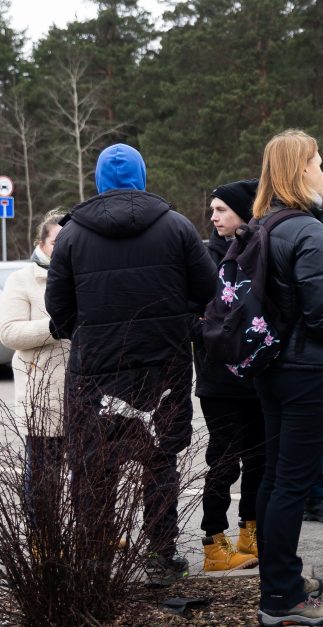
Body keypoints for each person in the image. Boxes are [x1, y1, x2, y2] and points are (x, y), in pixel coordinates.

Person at [45, 143, 217, 587]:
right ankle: (161, 557)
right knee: (160, 461)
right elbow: (208, 289)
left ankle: (96, 560)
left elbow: (58, 308)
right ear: (142, 176)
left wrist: (82, 334)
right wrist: (179, 323)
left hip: (94, 373)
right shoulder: (176, 227)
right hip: (164, 367)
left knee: (94, 468)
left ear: (98, 181)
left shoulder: (71, 235)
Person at [252, 129, 323, 627]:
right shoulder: (308, 231)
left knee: (276, 478)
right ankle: (280, 599)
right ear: (299, 172)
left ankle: (281, 580)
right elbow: (322, 313)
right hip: (304, 370)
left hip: (270, 366)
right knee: (292, 483)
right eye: (317, 162)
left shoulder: (263, 224)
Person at [193, 179, 265, 571]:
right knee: (223, 460)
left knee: (259, 458)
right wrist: (207, 330)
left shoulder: (259, 249)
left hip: (256, 377)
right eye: (213, 209)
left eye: (221, 209)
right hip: (218, 380)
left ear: (243, 211)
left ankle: (249, 533)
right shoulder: (204, 257)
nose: (213, 216)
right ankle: (213, 542)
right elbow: (189, 314)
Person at [0, 210, 69, 524]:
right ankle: (44, 537)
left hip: (84, 393)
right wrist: (54, 327)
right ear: (41, 243)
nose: (64, 246)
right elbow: (9, 332)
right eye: (57, 241)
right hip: (43, 398)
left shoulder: (80, 275)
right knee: (44, 476)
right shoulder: (22, 279)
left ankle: (91, 536)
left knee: (90, 475)